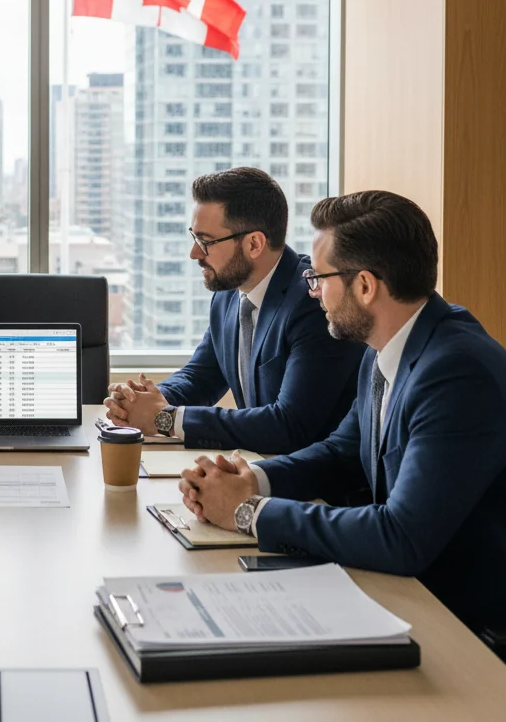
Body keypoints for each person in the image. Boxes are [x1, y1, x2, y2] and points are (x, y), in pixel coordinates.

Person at [178, 191, 506, 638]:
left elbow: (401, 536)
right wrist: (251, 480)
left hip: (464, 626)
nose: (311, 291)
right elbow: (342, 452)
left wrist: (248, 512)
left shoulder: (456, 372)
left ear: (366, 286)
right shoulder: (384, 347)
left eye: (317, 277)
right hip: (404, 592)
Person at [105, 168, 363, 454]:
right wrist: (143, 401)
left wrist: (165, 418)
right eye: (194, 237)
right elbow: (202, 376)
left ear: (254, 244)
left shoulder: (313, 303)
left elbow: (289, 425)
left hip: (317, 487)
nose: (194, 253)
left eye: (206, 241)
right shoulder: (229, 292)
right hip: (260, 465)